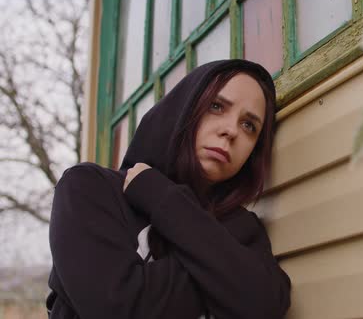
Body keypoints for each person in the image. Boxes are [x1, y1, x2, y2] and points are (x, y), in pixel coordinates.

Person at [46, 59, 292, 319]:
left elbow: (265, 303)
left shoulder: (242, 226)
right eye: (217, 106)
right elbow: (120, 309)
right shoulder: (88, 189)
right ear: (184, 109)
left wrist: (164, 201)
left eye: (249, 126)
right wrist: (227, 275)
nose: (231, 130)